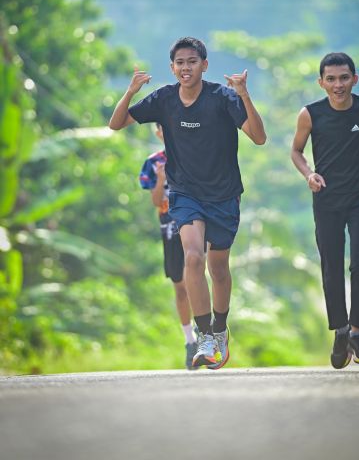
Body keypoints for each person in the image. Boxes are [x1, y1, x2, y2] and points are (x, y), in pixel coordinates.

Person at [110, 36, 266, 368]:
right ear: (172, 67)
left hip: (223, 193)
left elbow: (258, 137)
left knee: (218, 268)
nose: (186, 68)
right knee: (193, 258)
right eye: (180, 63)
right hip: (184, 194)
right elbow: (116, 123)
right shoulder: (164, 99)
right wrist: (131, 91)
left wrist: (244, 95)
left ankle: (220, 330)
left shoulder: (222, 97)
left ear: (204, 65)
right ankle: (204, 335)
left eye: (192, 61)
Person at [291, 52, 359, 369]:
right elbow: (296, 151)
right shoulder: (310, 114)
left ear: (354, 79)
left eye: (344, 78)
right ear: (321, 82)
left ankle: (357, 332)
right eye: (331, 79)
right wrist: (309, 174)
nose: (338, 85)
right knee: (332, 265)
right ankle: (339, 330)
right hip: (326, 199)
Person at [139, 123, 198, 370]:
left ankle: (205, 328)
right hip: (169, 228)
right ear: (158, 132)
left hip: (194, 223)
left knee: (195, 272)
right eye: (164, 127)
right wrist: (162, 178)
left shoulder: (194, 153)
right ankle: (190, 339)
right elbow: (155, 201)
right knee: (180, 286)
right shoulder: (153, 163)